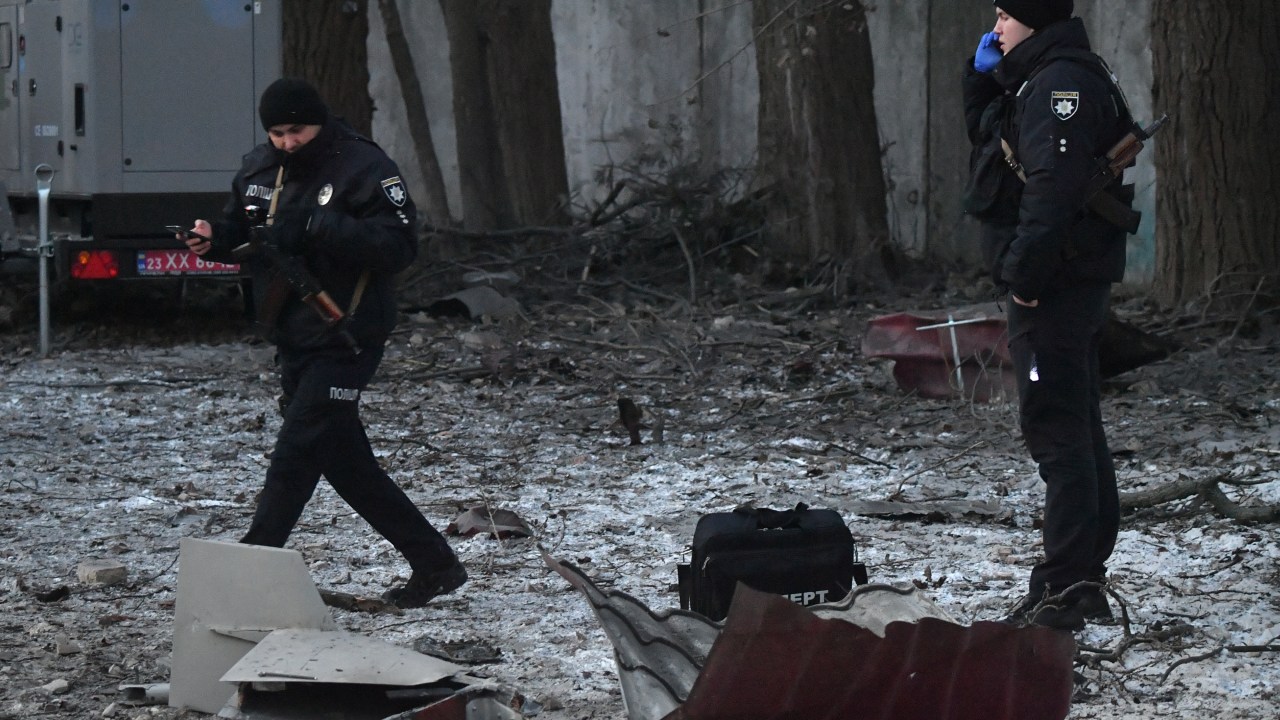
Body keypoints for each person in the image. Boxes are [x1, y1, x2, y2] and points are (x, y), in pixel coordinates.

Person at [181, 78, 466, 609]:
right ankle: (435, 563)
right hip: (292, 333)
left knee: (296, 451)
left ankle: (250, 567)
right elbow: (241, 231)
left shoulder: (364, 167)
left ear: (320, 122)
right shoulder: (258, 168)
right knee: (344, 462)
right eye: (277, 132)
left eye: (297, 130)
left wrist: (318, 225)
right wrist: (212, 240)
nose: (288, 142)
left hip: (348, 333)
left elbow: (399, 247)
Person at [962, 2, 1136, 631]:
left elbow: (1053, 189)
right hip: (1064, 282)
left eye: (1007, 14)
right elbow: (991, 138)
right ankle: (1081, 576)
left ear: (1034, 20)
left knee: (1059, 430)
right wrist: (984, 76)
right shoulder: (1040, 77)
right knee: (1076, 424)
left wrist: (1025, 280)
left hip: (1057, 286)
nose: (996, 25)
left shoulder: (1061, 84)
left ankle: (1067, 587)